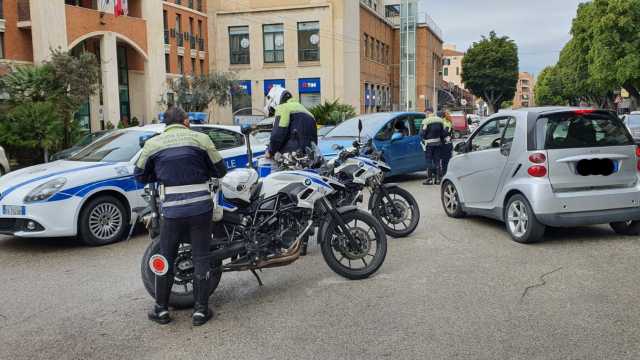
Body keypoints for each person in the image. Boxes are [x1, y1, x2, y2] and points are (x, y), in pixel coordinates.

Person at [135, 106, 228, 326]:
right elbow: (220, 170)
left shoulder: (153, 144)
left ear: (164, 123)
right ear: (185, 121)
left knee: (166, 258)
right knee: (201, 257)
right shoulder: (201, 139)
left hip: (172, 212)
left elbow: (139, 175)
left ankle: (161, 310)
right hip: (200, 208)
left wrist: (159, 174)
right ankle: (200, 312)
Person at [264, 86, 318, 160]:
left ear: (274, 100)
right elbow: (314, 142)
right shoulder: (309, 114)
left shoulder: (283, 108)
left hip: (291, 158)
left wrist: (270, 151)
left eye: (273, 109)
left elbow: (278, 135)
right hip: (308, 159)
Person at [420, 109, 447, 185]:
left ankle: (429, 179)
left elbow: (421, 133)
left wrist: (423, 139)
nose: (425, 115)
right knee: (437, 161)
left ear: (428, 113)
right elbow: (444, 133)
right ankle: (438, 179)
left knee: (429, 161)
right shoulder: (440, 120)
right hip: (438, 144)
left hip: (429, 144)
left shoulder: (426, 121)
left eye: (426, 113)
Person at [441, 111, 454, 176]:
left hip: (446, 143)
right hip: (447, 143)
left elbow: (446, 133)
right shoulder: (447, 122)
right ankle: (445, 173)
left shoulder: (447, 122)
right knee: (447, 160)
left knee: (445, 160)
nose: (449, 115)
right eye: (448, 114)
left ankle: (445, 173)